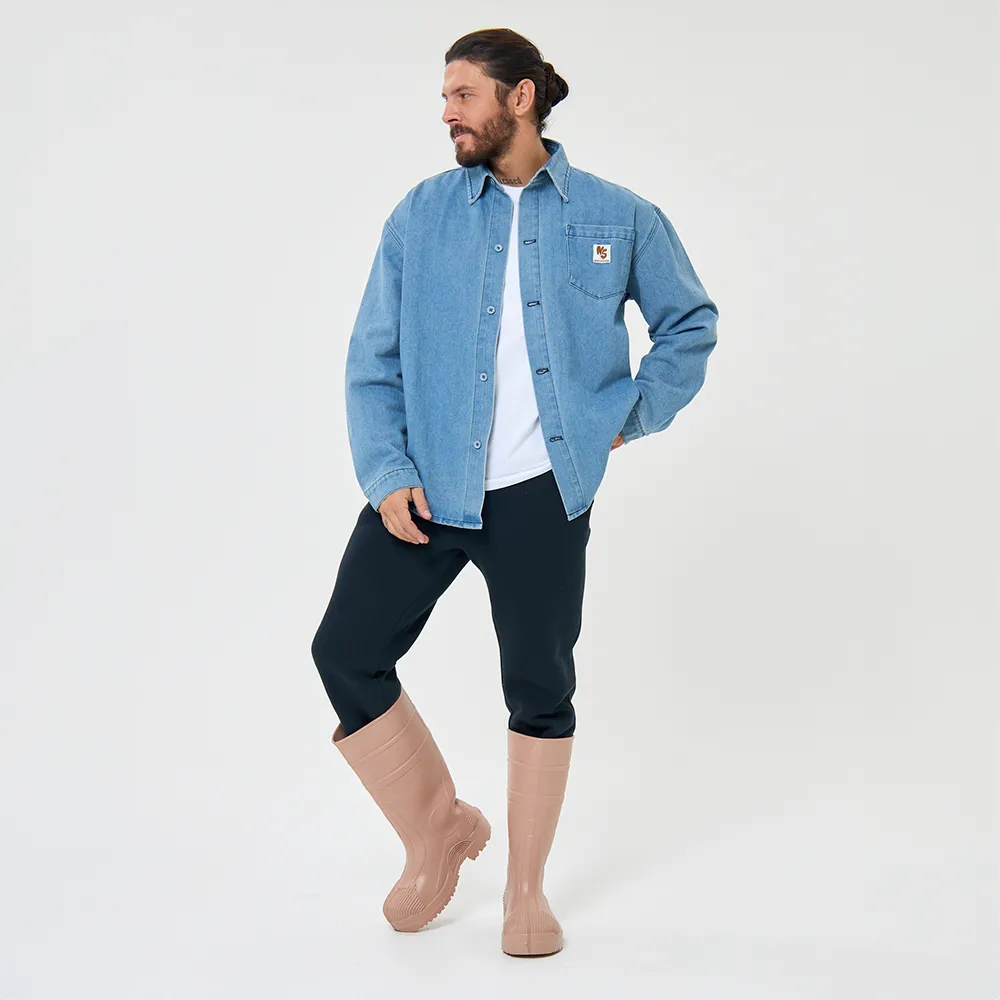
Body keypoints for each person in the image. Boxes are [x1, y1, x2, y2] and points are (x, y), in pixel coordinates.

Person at [310, 27, 718, 957]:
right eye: (445, 96)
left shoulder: (618, 216)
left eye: (462, 94)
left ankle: (526, 889)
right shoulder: (419, 216)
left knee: (539, 686)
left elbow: (689, 323)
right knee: (346, 652)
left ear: (520, 97)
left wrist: (630, 413)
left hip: (543, 492)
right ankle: (437, 831)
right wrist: (387, 472)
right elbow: (372, 358)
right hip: (427, 489)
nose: (446, 112)